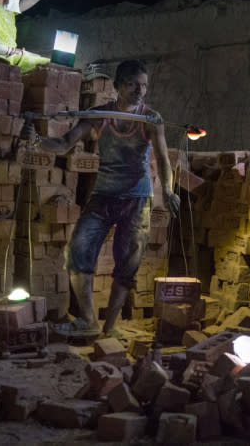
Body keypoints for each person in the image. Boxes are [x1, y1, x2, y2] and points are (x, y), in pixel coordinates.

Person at [21, 60, 182, 337]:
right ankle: (88, 321)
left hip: (137, 199)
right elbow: (64, 144)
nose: (139, 91)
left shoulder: (151, 118)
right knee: (77, 251)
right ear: (117, 86)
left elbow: (164, 159)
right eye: (132, 84)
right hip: (104, 195)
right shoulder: (98, 116)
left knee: (127, 263)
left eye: (143, 85)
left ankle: (110, 329)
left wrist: (167, 190)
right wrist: (36, 140)